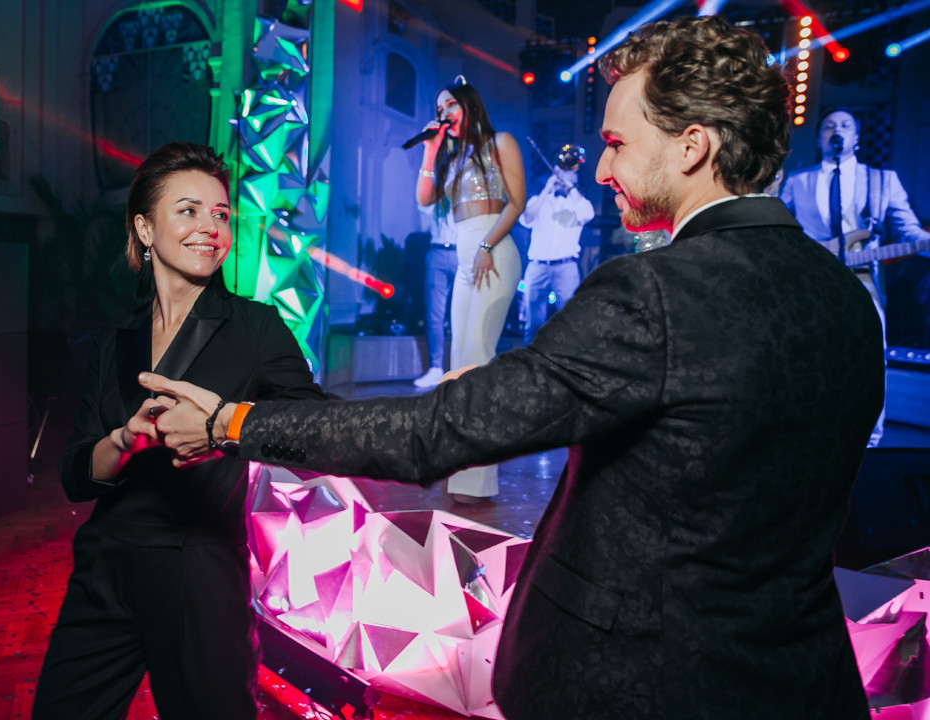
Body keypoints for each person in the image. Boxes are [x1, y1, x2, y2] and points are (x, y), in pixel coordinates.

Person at [142, 16, 882, 719]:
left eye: (616, 144)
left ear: (691, 146)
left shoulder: (654, 292)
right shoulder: (845, 299)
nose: (601, 169)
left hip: (642, 686)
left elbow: (432, 433)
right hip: (802, 683)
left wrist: (229, 422)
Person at [32, 142, 324, 720]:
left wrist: (224, 427)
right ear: (145, 228)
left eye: (221, 214)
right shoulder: (116, 341)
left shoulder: (256, 327)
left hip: (200, 574)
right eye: (188, 211)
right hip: (106, 567)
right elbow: (74, 476)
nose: (211, 228)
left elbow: (315, 434)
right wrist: (123, 442)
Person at [781, 108, 930, 446]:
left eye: (846, 125)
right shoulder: (797, 181)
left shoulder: (882, 180)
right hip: (811, 280)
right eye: (829, 126)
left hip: (862, 279)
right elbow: (779, 231)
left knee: (869, 356)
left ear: (857, 138)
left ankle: (870, 441)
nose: (837, 130)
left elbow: (908, 231)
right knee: (809, 354)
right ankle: (807, 434)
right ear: (819, 138)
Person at [414, 75, 526, 502]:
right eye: (439, 109)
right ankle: (460, 467)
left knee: (478, 356)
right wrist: (430, 150)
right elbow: (424, 198)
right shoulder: (453, 158)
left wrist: (485, 246)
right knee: (459, 360)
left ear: (469, 104)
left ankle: (477, 482)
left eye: (451, 106)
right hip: (466, 256)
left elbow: (517, 202)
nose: (445, 114)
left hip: (492, 251)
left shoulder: (501, 142)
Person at [518, 154, 595, 344]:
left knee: (569, 321)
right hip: (537, 266)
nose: (565, 176)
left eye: (570, 173)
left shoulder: (578, 204)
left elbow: (588, 215)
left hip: (566, 268)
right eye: (562, 172)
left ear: (576, 177)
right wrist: (547, 189)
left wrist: (570, 188)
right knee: (533, 324)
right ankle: (530, 359)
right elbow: (526, 219)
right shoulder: (538, 200)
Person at [413, 198, 457, 388]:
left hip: (462, 252)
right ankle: (435, 368)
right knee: (434, 315)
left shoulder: (467, 186)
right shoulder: (437, 192)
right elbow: (423, 206)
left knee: (463, 315)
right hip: (437, 251)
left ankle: (461, 367)